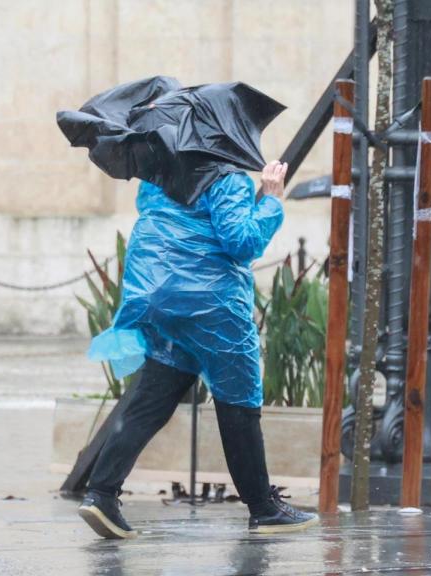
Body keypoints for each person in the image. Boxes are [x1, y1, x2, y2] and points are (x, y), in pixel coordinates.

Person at [57, 77, 319, 539]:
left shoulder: (158, 178)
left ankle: (102, 493)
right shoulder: (226, 177)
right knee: (240, 398)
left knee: (154, 395)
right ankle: (263, 508)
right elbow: (241, 243)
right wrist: (272, 201)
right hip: (212, 305)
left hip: (156, 296)